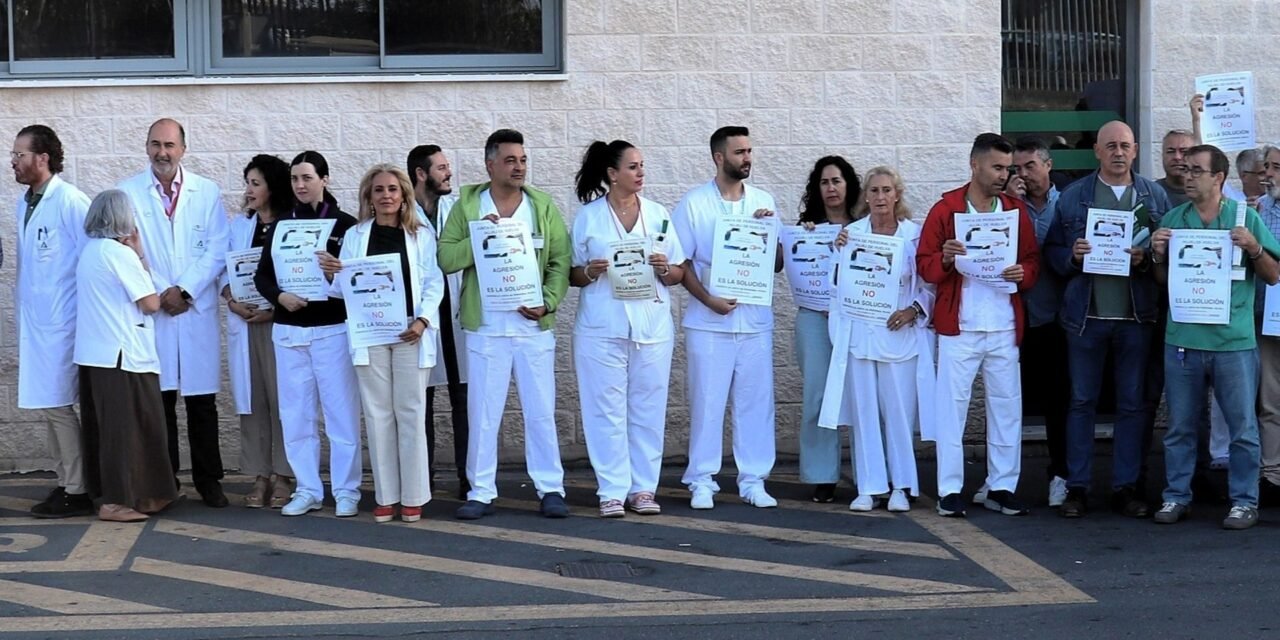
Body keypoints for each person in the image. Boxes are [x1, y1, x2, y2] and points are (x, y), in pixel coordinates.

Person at [438, 129, 572, 520]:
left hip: (533, 326)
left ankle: (550, 488)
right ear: (490, 164)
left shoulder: (542, 206)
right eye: (511, 160)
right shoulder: (468, 205)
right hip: (487, 327)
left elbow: (559, 262)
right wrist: (484, 238)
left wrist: (548, 303)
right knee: (483, 411)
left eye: (523, 160)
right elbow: (446, 258)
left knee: (541, 409)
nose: (519, 167)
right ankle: (481, 490)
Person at [1043, 121, 1172, 518]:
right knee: (1081, 403)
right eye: (1111, 146)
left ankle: (1126, 487)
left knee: (1132, 405)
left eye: (1126, 146)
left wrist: (1148, 257)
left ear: (1135, 151)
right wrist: (1074, 255)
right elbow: (1053, 251)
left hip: (1137, 317)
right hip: (1086, 319)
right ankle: (1078, 488)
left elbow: (1169, 252)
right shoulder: (1074, 196)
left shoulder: (1154, 196)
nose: (1119, 152)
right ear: (1097, 151)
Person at [1151, 144, 1280, 530]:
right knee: (1180, 427)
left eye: (1196, 170)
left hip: (1233, 342)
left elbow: (1273, 275)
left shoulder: (1244, 218)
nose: (1186, 176)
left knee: (1242, 428)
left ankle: (1243, 501)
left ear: (1218, 178)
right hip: (1183, 340)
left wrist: (1255, 248)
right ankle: (1176, 496)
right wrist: (1158, 255)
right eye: (1185, 170)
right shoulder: (1174, 218)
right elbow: (1163, 283)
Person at [917, 132, 1040, 518]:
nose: (1004, 175)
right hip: (961, 326)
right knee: (951, 409)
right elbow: (924, 265)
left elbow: (1032, 261)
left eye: (1008, 168)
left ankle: (1002, 485)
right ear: (975, 165)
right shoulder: (946, 209)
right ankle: (949, 489)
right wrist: (947, 259)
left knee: (1006, 408)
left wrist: (1024, 273)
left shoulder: (1015, 211)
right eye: (998, 167)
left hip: (1003, 324)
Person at [569, 140, 686, 518]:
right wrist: (591, 271)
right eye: (632, 167)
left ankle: (643, 488)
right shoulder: (589, 217)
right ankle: (612, 489)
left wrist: (664, 267)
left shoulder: (658, 214)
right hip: (603, 326)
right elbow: (573, 272)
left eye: (641, 166)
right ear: (612, 173)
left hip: (651, 325)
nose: (640, 173)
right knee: (605, 409)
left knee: (648, 408)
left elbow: (679, 272)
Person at [117, 118, 230, 508]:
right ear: (146, 147)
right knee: (160, 402)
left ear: (183, 148)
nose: (162, 152)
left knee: (201, 403)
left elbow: (217, 249)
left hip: (192, 307)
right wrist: (163, 291)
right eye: (155, 144)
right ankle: (164, 484)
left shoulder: (207, 191)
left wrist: (184, 290)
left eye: (169, 145)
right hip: (156, 308)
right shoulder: (128, 193)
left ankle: (209, 481)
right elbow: (128, 249)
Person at [672, 126, 781, 510]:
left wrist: (768, 231)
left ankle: (753, 479)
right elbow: (680, 263)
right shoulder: (693, 203)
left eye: (749, 150)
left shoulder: (764, 200)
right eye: (739, 152)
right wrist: (709, 300)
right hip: (709, 323)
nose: (747, 158)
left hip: (753, 322)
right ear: (720, 157)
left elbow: (778, 263)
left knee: (755, 402)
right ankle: (702, 479)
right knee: (707, 401)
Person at [253, 151, 362, 518]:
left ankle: (347, 489)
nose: (300, 185)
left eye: (307, 178)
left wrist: (335, 275)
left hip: (332, 329)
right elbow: (262, 276)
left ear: (325, 179)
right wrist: (279, 296)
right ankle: (308, 488)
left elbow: (358, 278)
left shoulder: (346, 226)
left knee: (340, 413)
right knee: (296, 415)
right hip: (289, 332)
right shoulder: (281, 225)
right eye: (295, 179)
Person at [333, 164, 443, 523]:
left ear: (404, 194)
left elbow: (433, 282)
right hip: (371, 333)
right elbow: (342, 290)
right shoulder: (356, 236)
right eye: (379, 190)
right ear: (369, 196)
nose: (386, 196)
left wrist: (423, 320)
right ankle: (386, 496)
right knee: (378, 414)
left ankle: (413, 496)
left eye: (393, 189)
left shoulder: (421, 234)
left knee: (410, 413)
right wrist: (332, 274)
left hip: (411, 332)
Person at [821, 166, 934, 512]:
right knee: (865, 412)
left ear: (897, 194)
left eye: (887, 190)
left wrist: (913, 310)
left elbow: (930, 285)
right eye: (874, 191)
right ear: (866, 197)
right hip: (860, 336)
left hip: (898, 335)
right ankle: (869, 486)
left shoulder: (914, 236)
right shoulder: (851, 234)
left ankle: (902, 485)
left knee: (898, 414)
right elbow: (835, 286)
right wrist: (835, 251)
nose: (880, 197)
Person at [75, 190, 178, 522]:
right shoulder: (118, 255)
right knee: (131, 429)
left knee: (107, 429)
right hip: (123, 355)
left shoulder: (90, 251)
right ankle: (118, 501)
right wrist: (140, 255)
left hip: (96, 354)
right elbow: (150, 303)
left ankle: (134, 494)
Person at [11, 125, 93, 518]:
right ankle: (64, 481)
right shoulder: (23, 203)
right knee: (48, 405)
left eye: (19, 155)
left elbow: (93, 258)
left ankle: (77, 489)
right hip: (37, 322)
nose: (13, 161)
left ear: (42, 158)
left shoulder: (71, 201)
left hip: (63, 323)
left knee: (59, 406)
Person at [223, 154, 295, 509]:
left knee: (283, 398)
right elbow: (223, 269)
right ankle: (259, 473)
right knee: (252, 400)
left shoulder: (291, 225)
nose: (248, 191)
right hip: (245, 321)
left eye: (255, 183)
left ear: (273, 187)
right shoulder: (240, 226)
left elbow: (300, 276)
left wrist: (274, 307)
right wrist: (231, 301)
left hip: (278, 322)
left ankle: (284, 473)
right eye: (247, 183)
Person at [1003, 135, 1069, 508]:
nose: (1024, 173)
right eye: (1017, 167)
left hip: (1056, 320)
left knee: (1059, 403)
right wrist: (1011, 204)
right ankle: (1002, 479)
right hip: (1014, 319)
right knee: (1008, 402)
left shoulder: (1067, 204)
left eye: (1030, 165)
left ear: (1048, 165)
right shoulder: (1009, 206)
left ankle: (1060, 474)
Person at [793, 156, 860, 503]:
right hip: (814, 318)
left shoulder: (865, 227)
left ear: (849, 185)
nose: (831, 188)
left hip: (855, 319)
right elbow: (778, 261)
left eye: (836, 181)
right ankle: (822, 475)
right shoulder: (806, 228)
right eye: (824, 182)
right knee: (818, 397)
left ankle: (870, 472)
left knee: (864, 396)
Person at [407, 144, 469, 500]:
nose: (449, 173)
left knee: (463, 398)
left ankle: (468, 478)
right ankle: (422, 480)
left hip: (458, 312)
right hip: (421, 317)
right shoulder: (403, 211)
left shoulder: (458, 207)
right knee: (421, 400)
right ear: (421, 173)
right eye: (442, 168)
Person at [1257, 144, 1280, 507]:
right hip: (1269, 315)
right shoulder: (1259, 208)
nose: (1269, 174)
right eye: (1267, 166)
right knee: (1270, 398)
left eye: (1275, 167)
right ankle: (1272, 474)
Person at [1156, 128, 1195, 207]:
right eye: (1171, 151)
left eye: (1184, 151)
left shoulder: (1206, 195)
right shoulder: (1150, 193)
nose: (1177, 157)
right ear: (1162, 155)